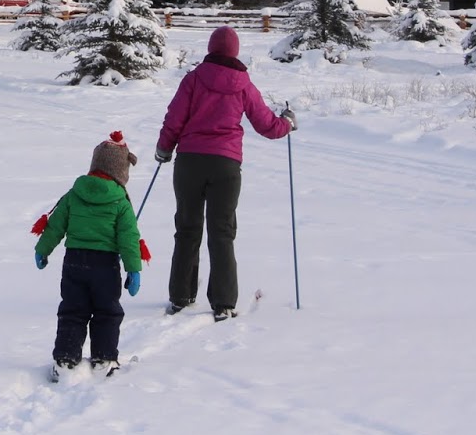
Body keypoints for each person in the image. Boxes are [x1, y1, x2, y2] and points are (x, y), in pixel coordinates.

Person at [154, 26, 295, 321]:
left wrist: (164, 149)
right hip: (226, 165)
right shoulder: (243, 84)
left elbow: (174, 118)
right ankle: (224, 302)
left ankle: (180, 296)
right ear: (234, 50)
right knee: (222, 232)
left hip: (190, 162)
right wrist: (288, 123)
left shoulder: (193, 79)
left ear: (210, 47)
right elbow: (266, 124)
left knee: (187, 228)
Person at [31, 131, 148, 377]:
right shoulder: (121, 202)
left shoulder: (74, 195)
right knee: (107, 311)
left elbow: (55, 226)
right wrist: (133, 269)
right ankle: (104, 359)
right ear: (121, 171)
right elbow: (128, 239)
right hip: (105, 266)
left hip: (74, 262)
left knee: (73, 310)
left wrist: (42, 250)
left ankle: (65, 359)